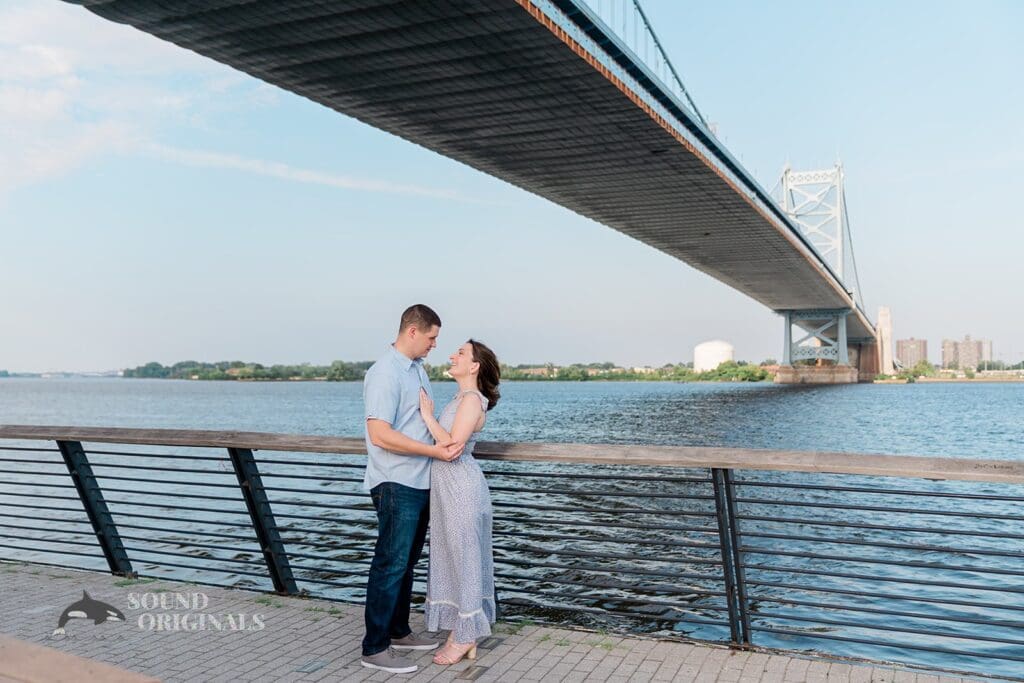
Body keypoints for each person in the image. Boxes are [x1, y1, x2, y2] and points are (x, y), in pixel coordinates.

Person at [360, 304, 464, 675]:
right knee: (390, 564)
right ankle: (374, 647)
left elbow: (418, 422)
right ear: (413, 331)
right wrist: (433, 450)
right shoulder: (385, 373)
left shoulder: (417, 371)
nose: (436, 344)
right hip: (396, 480)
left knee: (405, 564)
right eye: (433, 337)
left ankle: (399, 632)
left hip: (420, 480)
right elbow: (380, 434)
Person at [418, 339, 501, 665]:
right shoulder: (461, 398)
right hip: (448, 489)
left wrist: (426, 416)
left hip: (462, 489)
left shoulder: (471, 400)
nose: (452, 355)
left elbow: (452, 446)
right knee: (452, 557)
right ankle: (460, 628)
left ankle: (465, 634)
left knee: (464, 558)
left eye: (461, 353)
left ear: (474, 366)